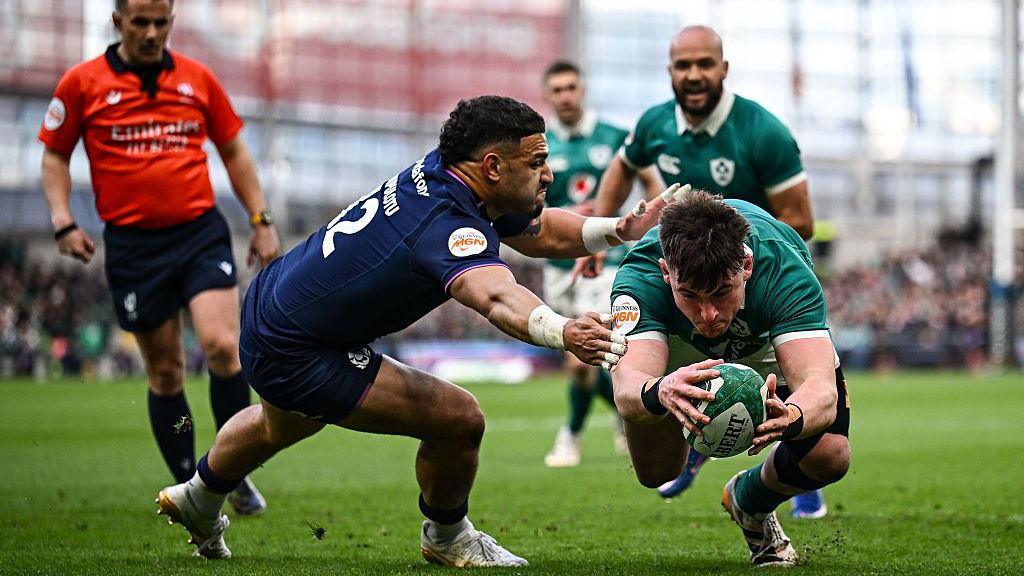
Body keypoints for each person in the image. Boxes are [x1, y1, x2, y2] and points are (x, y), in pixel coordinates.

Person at [154, 95, 681, 565]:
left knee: (285, 425)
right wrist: (562, 330)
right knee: (458, 420)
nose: (548, 174)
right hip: (302, 347)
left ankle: (199, 496)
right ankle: (448, 535)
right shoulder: (447, 222)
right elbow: (495, 295)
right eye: (537, 162)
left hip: (278, 305)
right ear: (494, 167)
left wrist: (617, 229)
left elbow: (538, 230)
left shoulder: (449, 177)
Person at [38, 0, 279, 515]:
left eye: (161, 23)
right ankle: (190, 484)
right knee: (166, 373)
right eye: (140, 22)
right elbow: (56, 154)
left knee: (222, 347)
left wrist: (260, 221)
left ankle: (229, 469)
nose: (151, 33)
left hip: (199, 233)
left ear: (171, 21)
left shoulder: (197, 79)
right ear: (117, 21)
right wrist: (62, 221)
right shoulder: (82, 84)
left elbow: (235, 151)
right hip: (133, 246)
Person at [585, 25, 823, 511]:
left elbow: (801, 222)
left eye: (704, 64)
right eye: (682, 65)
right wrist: (601, 232)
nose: (693, 75)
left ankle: (787, 467)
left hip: (748, 271)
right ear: (670, 71)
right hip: (686, 274)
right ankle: (701, 427)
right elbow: (622, 166)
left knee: (824, 443)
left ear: (723, 69)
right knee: (653, 471)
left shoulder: (763, 132)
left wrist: (736, 239)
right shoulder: (654, 124)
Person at [608, 190, 850, 567]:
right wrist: (662, 390)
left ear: (747, 266)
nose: (708, 314)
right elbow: (628, 389)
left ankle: (748, 499)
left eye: (721, 292)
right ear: (665, 272)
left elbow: (820, 389)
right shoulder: (638, 278)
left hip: (766, 335)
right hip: (677, 347)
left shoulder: (781, 267)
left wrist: (794, 416)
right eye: (689, 295)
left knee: (830, 457)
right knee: (655, 471)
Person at [538, 60, 663, 467]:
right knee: (581, 366)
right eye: (557, 90)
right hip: (558, 267)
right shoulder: (538, 145)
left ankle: (570, 436)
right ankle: (620, 415)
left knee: (589, 357)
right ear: (548, 95)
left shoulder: (613, 137)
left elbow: (651, 180)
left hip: (604, 261)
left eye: (571, 87)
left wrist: (647, 221)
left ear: (583, 89)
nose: (565, 96)